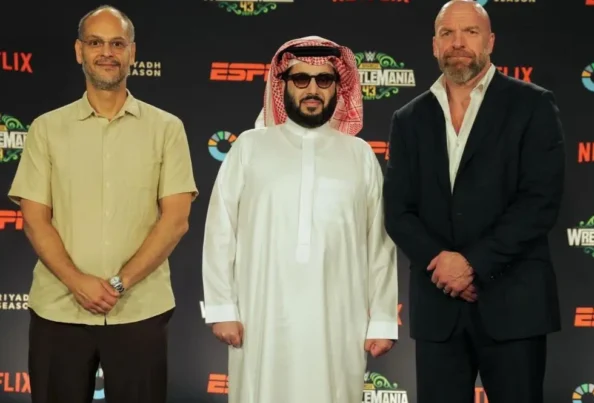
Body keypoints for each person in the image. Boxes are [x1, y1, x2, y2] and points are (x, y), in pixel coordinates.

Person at [7, 5, 197, 403]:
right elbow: (35, 219)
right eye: (96, 43)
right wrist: (78, 282)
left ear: (132, 52)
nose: (106, 52)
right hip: (59, 310)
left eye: (117, 44)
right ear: (79, 51)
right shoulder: (46, 129)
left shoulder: (167, 128)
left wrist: (118, 283)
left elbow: (176, 220)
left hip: (139, 310)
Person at [382, 1, 565, 402]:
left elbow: (540, 201)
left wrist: (471, 264)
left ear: (490, 41)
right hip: (438, 308)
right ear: (434, 44)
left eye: (470, 32)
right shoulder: (409, 118)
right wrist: (442, 264)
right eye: (447, 33)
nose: (458, 42)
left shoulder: (532, 104)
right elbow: (398, 211)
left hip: (513, 304)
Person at [202, 36, 398, 403]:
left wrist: (384, 319)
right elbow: (220, 231)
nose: (312, 89)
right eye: (301, 79)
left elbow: (379, 245)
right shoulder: (249, 147)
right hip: (260, 316)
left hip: (340, 318)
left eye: (324, 80)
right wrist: (222, 308)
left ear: (338, 87)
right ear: (283, 85)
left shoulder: (359, 155)